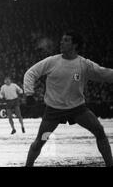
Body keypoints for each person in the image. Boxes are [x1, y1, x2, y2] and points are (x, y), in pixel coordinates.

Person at [24, 30, 113, 167]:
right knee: (41, 141)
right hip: (53, 112)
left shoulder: (84, 64)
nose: (61, 42)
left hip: (77, 110)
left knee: (99, 131)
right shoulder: (52, 61)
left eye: (66, 40)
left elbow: (103, 73)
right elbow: (31, 73)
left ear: (75, 45)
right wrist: (29, 93)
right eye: (62, 39)